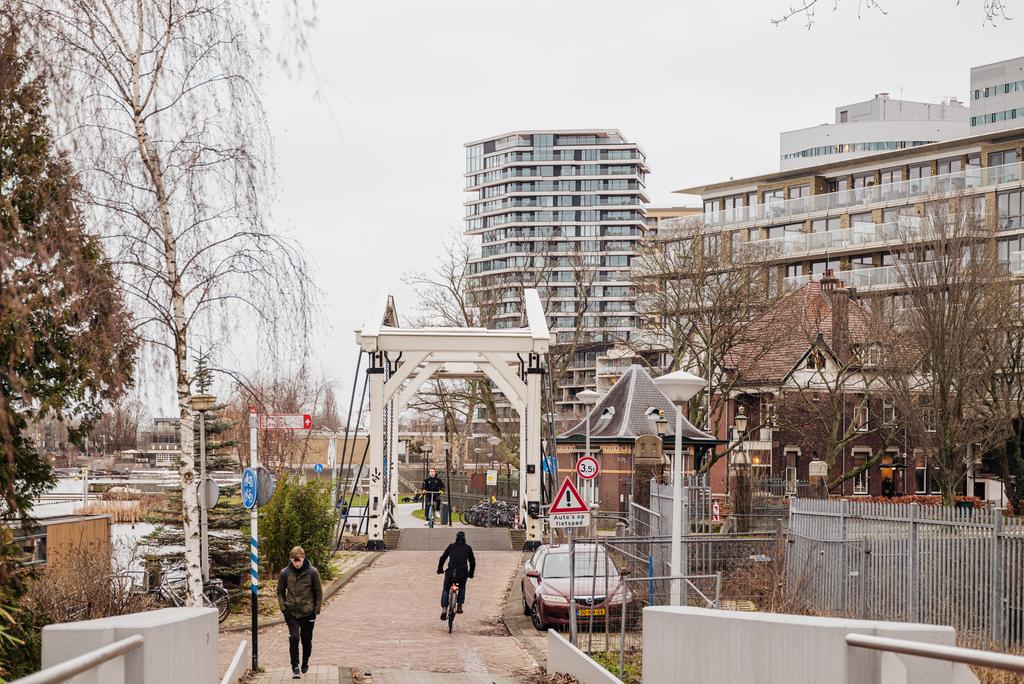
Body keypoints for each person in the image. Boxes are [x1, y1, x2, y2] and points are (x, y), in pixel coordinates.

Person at [277, 546, 323, 679]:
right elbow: (280, 591)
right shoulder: (285, 573)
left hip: (308, 612)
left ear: (303, 558)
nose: (297, 563)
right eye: (294, 560)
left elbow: (318, 592)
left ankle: (305, 662)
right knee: (294, 638)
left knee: (306, 641)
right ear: (291, 559)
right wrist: (284, 608)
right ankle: (295, 667)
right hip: (291, 612)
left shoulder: (313, 572)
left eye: (299, 560)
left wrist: (316, 610)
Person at [437, 530, 475, 620]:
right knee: (462, 587)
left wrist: (440, 569)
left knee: (446, 589)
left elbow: (442, 558)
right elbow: (472, 562)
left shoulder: (451, 546)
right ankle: (459, 606)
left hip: (450, 572)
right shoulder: (468, 548)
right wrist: (471, 573)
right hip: (462, 573)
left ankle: (444, 609)